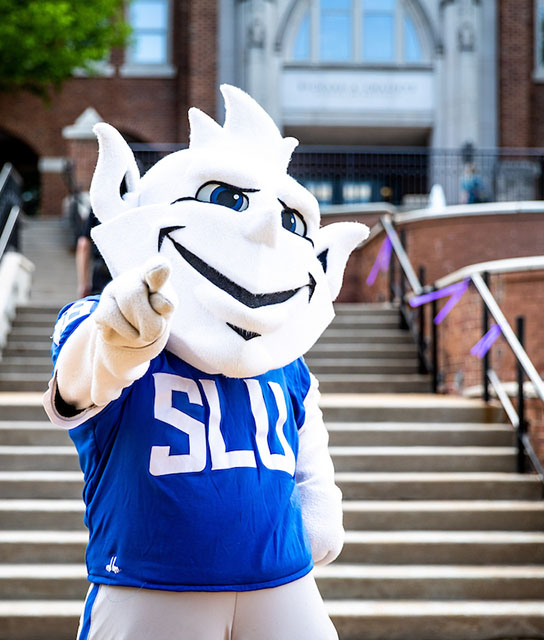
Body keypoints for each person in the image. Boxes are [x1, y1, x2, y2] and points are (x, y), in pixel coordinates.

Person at [42, 85, 369, 640]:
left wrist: (319, 507)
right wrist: (119, 344)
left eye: (291, 221)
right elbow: (78, 384)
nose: (266, 226)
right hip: (153, 582)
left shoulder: (283, 355)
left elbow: (309, 445)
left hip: (283, 580)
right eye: (228, 199)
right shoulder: (102, 318)